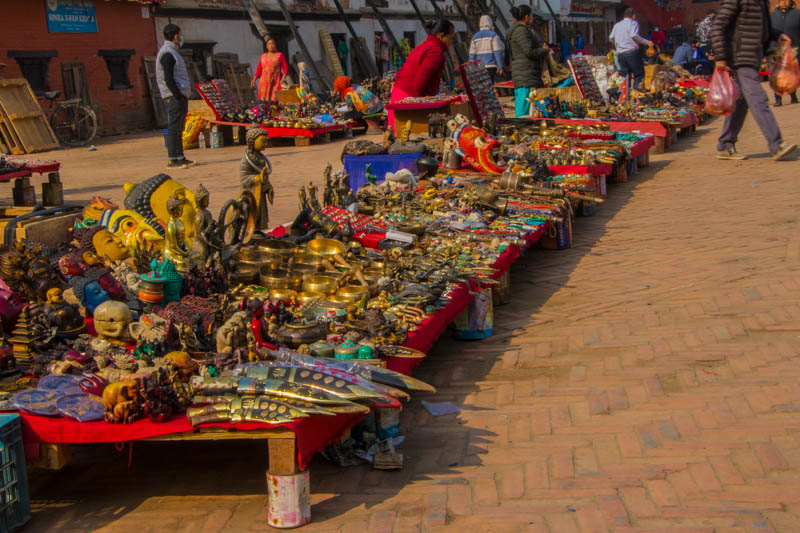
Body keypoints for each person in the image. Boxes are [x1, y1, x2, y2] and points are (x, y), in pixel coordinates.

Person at [711, 0, 797, 160]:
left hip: (752, 57)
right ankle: (776, 144)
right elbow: (717, 26)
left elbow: (760, 29)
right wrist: (720, 57)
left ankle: (725, 144)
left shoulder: (761, 2)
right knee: (758, 98)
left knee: (741, 101)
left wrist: (777, 34)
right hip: (739, 57)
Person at [390, 19, 455, 129]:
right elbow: (422, 77)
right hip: (409, 98)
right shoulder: (435, 52)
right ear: (441, 36)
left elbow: (403, 70)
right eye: (450, 38)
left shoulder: (424, 46)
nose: (451, 42)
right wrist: (417, 104)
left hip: (399, 94)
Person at [156, 23, 194, 170]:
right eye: (180, 34)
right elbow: (168, 78)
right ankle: (173, 159)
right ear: (175, 36)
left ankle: (180, 157)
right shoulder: (167, 53)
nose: (181, 37)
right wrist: (177, 96)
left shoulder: (174, 52)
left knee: (179, 127)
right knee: (173, 128)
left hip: (180, 94)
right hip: (173, 96)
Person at [507, 5, 550, 117]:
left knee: (528, 110)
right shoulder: (521, 31)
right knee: (524, 113)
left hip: (525, 74)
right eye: (531, 16)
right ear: (526, 17)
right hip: (526, 76)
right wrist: (544, 50)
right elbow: (529, 52)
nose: (532, 18)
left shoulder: (521, 30)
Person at [609, 9, 653, 90]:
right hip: (631, 53)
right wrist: (647, 42)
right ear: (633, 16)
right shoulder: (633, 23)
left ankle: (626, 97)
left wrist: (617, 47)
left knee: (626, 77)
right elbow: (634, 35)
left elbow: (611, 38)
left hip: (621, 55)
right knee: (639, 74)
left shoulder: (617, 25)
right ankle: (636, 94)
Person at [770, 0, 800, 105]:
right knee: (776, 74)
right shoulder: (772, 15)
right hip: (776, 48)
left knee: (791, 74)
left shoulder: (797, 14)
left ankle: (793, 95)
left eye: (787, 0)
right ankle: (778, 99)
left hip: (793, 48)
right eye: (782, 0)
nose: (784, 2)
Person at [469, 15, 505, 81]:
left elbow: (472, 55)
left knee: (483, 87)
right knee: (491, 85)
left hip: (479, 67)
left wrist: (471, 69)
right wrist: (500, 66)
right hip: (491, 66)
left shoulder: (474, 37)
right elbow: (498, 52)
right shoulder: (494, 35)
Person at [251, 36, 288, 103]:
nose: (271, 46)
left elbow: (285, 68)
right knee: (263, 100)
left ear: (275, 45)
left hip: (275, 81)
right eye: (269, 44)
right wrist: (254, 79)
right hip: (264, 81)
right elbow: (259, 69)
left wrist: (283, 78)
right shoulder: (263, 56)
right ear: (266, 46)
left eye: (272, 44)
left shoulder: (279, 55)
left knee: (274, 99)